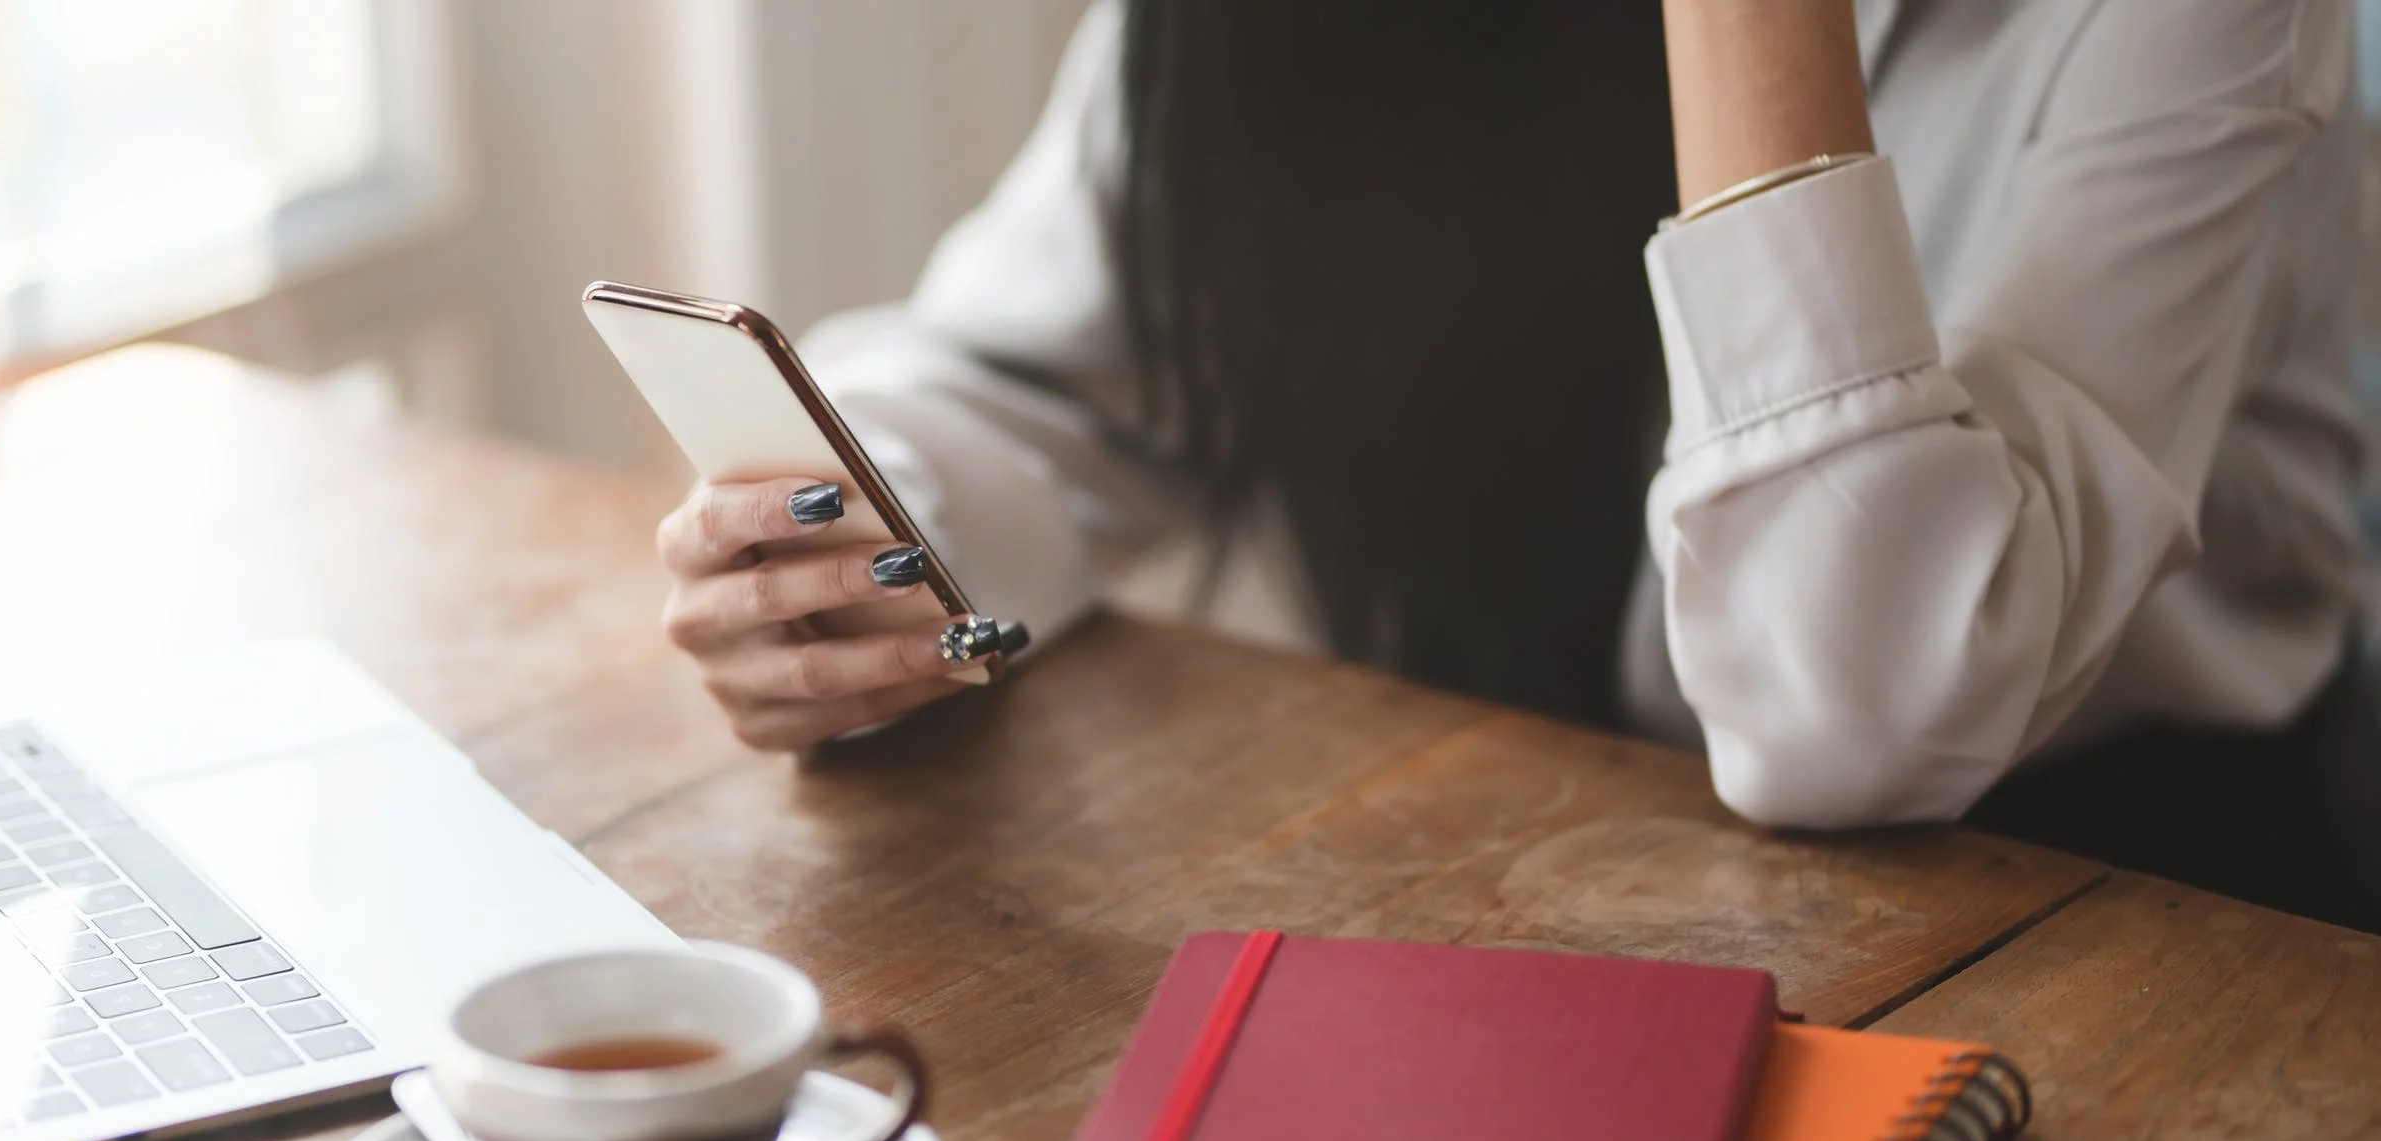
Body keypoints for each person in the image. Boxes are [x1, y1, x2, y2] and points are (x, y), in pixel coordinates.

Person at [653, 0, 2378, 928]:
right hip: (1501, 881)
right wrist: (874, 565)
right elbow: (1024, 381)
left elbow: (1855, 705)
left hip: (2136, 902)